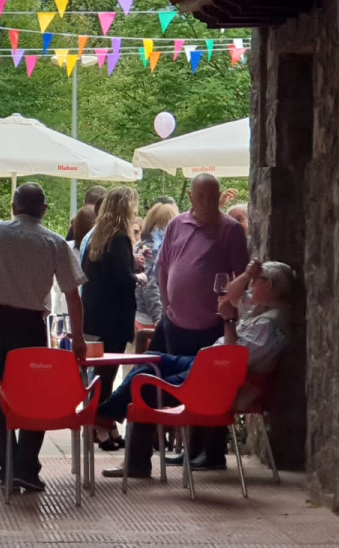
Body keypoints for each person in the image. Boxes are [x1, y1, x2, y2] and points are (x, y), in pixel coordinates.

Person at [99, 260, 295, 477]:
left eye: (258, 280)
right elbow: (231, 294)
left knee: (144, 383)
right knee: (153, 358)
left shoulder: (270, 324)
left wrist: (229, 320)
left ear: (268, 286)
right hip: (208, 366)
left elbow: (232, 358)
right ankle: (106, 415)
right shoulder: (262, 309)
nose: (251, 286)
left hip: (217, 378)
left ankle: (118, 439)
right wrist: (248, 274)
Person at [110, 173, 248, 477]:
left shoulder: (231, 230)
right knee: (148, 375)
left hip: (211, 326)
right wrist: (167, 302)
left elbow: (240, 277)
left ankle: (206, 453)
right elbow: (165, 266)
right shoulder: (177, 224)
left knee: (200, 389)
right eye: (202, 197)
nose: (208, 203)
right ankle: (137, 457)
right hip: (174, 322)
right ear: (191, 198)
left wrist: (228, 311)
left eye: (213, 197)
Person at [0, 183, 86, 493]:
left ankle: (7, 467)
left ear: (13, 207)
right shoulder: (55, 243)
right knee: (35, 396)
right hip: (30, 325)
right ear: (45, 210)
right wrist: (77, 338)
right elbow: (73, 295)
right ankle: (27, 464)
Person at [81, 186, 140, 450]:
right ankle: (100, 427)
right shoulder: (120, 238)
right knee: (106, 377)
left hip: (95, 317)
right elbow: (122, 280)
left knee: (101, 376)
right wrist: (138, 277)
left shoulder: (97, 237)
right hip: (113, 320)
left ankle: (106, 427)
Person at [135, 201, 179, 330]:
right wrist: (158, 316)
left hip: (143, 313)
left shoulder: (141, 245)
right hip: (150, 318)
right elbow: (149, 284)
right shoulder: (154, 248)